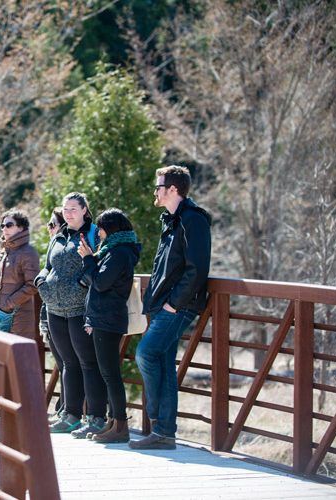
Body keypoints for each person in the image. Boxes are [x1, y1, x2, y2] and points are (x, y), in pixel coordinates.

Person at [130, 166, 212, 450]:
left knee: (146, 353)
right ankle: (163, 433)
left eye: (159, 186)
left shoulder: (193, 220)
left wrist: (174, 304)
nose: (155, 191)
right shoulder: (172, 220)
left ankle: (159, 424)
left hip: (179, 306)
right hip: (164, 305)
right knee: (162, 362)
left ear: (173, 189)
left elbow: (197, 268)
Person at [35, 192, 106, 438]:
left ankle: (96, 416)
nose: (68, 213)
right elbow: (48, 265)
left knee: (88, 362)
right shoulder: (59, 236)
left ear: (85, 210)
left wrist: (82, 286)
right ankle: (71, 415)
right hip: (55, 308)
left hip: (80, 309)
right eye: (65, 209)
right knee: (67, 363)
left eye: (74, 208)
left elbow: (100, 266)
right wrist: (41, 280)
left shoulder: (94, 234)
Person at [77, 208, 141, 443]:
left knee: (110, 373)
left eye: (101, 229)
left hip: (108, 318)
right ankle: (114, 422)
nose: (99, 233)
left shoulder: (119, 253)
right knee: (108, 372)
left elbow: (102, 283)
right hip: (104, 317)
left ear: (109, 228)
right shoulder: (113, 251)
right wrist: (92, 259)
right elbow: (92, 280)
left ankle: (120, 426)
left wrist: (87, 259)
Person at [0, 209, 40, 339]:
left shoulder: (28, 252)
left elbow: (33, 285)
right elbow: (0, 281)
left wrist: (8, 304)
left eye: (9, 225)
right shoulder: (5, 252)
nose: (4, 228)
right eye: (2, 226)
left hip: (19, 316)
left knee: (18, 357)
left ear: (21, 228)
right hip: (0, 314)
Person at [41, 209, 67, 423]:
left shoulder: (66, 246)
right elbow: (46, 271)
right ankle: (63, 407)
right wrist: (41, 282)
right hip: (50, 311)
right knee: (62, 362)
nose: (49, 229)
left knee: (67, 363)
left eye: (52, 224)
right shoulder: (54, 246)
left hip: (64, 310)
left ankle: (66, 409)